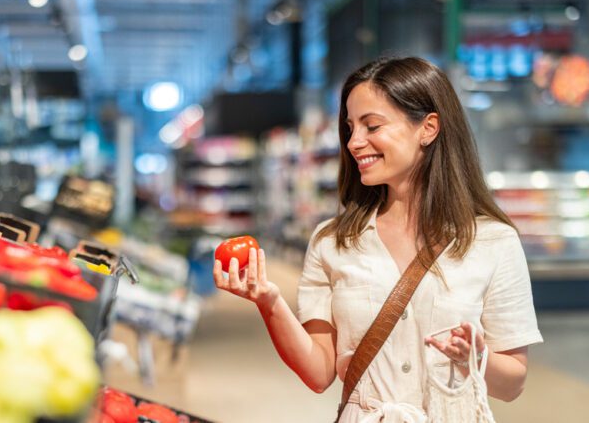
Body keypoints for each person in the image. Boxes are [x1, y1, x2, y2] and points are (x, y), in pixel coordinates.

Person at [213, 56, 543, 422]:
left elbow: (513, 383)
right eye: (350, 127)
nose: (355, 142)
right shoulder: (331, 242)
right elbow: (319, 373)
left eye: (372, 126)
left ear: (428, 128)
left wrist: (475, 357)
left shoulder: (493, 241)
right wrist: (269, 302)